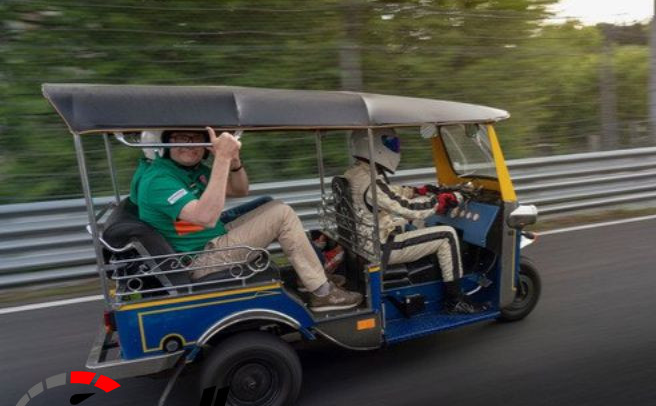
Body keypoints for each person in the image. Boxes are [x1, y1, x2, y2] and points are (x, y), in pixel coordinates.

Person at [130, 127, 362, 313]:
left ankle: (309, 276)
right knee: (282, 214)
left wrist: (233, 161)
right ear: (164, 144)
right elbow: (206, 217)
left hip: (209, 242)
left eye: (197, 138)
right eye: (181, 138)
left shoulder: (189, 170)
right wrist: (221, 158)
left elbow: (239, 189)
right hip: (201, 260)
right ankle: (322, 293)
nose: (190, 145)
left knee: (272, 205)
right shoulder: (159, 180)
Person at [343, 128, 489, 314]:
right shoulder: (371, 182)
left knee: (415, 225)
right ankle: (454, 300)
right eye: (391, 144)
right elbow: (410, 209)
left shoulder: (355, 174)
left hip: (365, 243)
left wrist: (417, 191)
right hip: (380, 248)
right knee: (447, 235)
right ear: (374, 146)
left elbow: (388, 194)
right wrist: (446, 199)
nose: (396, 149)